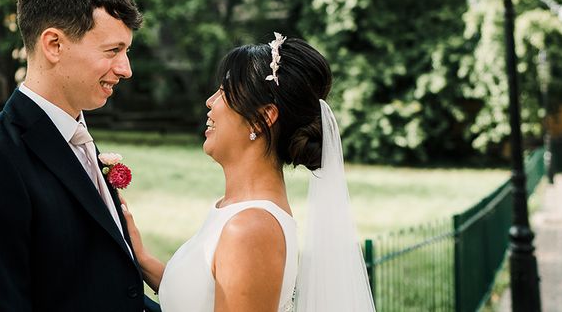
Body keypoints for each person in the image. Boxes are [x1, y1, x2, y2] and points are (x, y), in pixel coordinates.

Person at [0, 0, 160, 312]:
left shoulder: (79, 138)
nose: (126, 69)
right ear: (54, 44)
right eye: (113, 50)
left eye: (127, 50)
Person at [122, 33, 376, 312]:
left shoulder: (251, 229)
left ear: (263, 117)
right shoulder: (235, 212)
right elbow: (198, 298)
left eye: (224, 91)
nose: (210, 101)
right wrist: (142, 258)